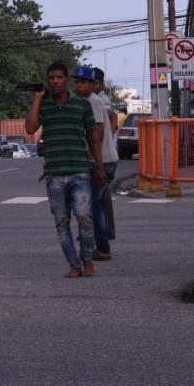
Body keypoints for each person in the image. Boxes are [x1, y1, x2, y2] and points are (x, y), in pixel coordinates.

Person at [26, 62, 105, 278]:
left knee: (83, 216)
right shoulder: (44, 105)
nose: (55, 81)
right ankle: (74, 264)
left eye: (59, 77)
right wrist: (37, 98)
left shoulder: (81, 104)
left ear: (66, 80)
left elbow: (93, 138)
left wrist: (99, 166)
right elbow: (30, 128)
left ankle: (87, 258)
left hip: (80, 170)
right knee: (61, 222)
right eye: (51, 78)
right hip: (54, 174)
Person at [73, 67, 119, 262]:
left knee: (94, 207)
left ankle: (102, 248)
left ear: (93, 85)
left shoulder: (92, 102)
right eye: (76, 82)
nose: (78, 86)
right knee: (96, 205)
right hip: (103, 160)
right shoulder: (90, 101)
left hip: (101, 161)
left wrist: (97, 164)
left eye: (83, 82)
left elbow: (96, 135)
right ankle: (99, 245)